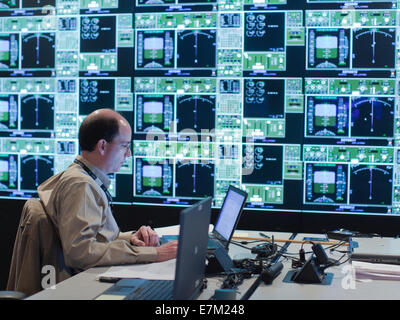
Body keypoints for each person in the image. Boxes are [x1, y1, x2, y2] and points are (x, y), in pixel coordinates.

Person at [37, 108, 177, 273]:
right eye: (124, 146)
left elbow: (101, 239)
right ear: (102, 146)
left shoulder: (85, 177)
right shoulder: (80, 185)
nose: (128, 154)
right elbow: (80, 253)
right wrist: (153, 253)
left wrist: (132, 238)